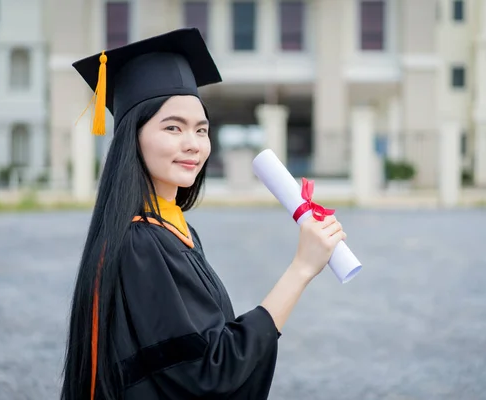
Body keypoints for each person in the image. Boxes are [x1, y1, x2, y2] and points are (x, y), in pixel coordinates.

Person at [60, 28, 347, 400]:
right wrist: (301, 269)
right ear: (134, 135)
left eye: (201, 129)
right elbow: (211, 373)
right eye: (172, 127)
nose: (192, 144)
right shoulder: (141, 244)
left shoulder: (173, 230)